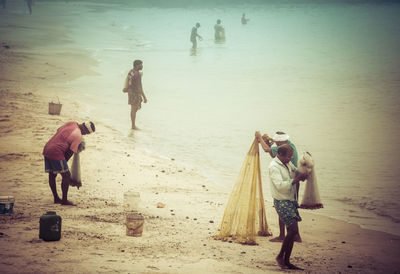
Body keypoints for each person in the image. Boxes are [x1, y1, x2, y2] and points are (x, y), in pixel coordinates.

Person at [256, 131, 302, 243]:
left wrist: (259, 138)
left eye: (277, 143)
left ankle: (285, 236)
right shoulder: (289, 147)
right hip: (289, 184)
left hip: (289, 184)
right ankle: (292, 236)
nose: (290, 159)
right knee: (290, 211)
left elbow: (268, 150)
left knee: (287, 212)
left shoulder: (284, 153)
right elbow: (273, 154)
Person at [268, 144, 307, 270]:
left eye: (291, 156)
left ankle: (286, 260)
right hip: (281, 200)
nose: (290, 159)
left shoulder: (287, 163)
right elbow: (279, 185)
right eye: (288, 157)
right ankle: (280, 257)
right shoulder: (274, 167)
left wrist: (305, 167)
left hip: (290, 200)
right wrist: (296, 180)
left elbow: (295, 171)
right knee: (293, 230)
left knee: (293, 231)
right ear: (280, 155)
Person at [43, 121, 95, 206]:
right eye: (87, 133)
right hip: (56, 151)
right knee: (66, 175)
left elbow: (58, 130)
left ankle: (56, 198)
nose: (85, 135)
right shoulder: (78, 136)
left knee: (52, 174)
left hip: (48, 147)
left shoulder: (72, 123)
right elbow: (69, 153)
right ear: (85, 131)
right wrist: (63, 165)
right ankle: (64, 201)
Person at [123, 60, 147, 129]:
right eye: (141, 65)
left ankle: (133, 125)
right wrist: (144, 97)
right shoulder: (137, 74)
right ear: (137, 65)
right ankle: (133, 126)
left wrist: (126, 89)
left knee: (133, 109)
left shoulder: (131, 71)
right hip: (135, 93)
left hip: (130, 92)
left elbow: (128, 81)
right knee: (134, 109)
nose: (142, 66)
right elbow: (140, 86)